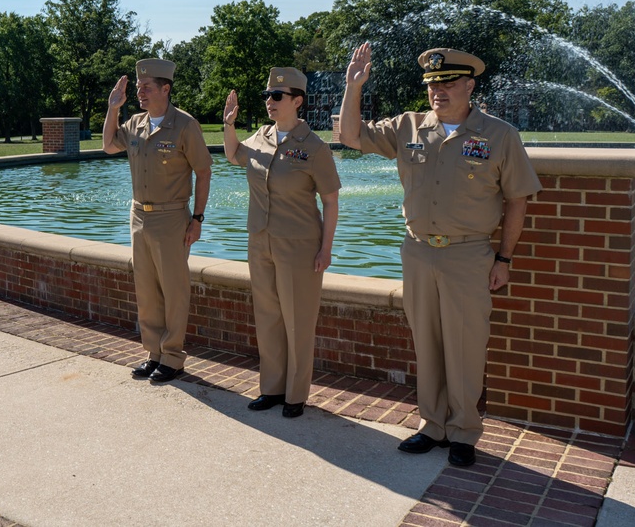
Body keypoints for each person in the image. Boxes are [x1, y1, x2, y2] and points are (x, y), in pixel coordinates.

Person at [339, 43, 541, 467]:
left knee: (467, 344)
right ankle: (431, 425)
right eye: (432, 84)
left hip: (468, 255)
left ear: (469, 84)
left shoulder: (499, 134)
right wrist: (353, 87)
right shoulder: (408, 126)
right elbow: (350, 136)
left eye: (448, 82)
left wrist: (503, 259)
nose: (438, 91)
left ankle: (464, 431)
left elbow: (518, 200)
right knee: (426, 342)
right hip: (417, 252)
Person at [222, 68, 340, 418]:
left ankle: (296, 394)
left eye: (277, 96)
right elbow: (233, 155)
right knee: (268, 317)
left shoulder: (314, 148)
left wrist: (326, 249)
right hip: (260, 241)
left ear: (297, 101)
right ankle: (271, 388)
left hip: (299, 246)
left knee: (297, 320)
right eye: (267, 96)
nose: (270, 102)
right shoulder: (260, 137)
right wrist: (229, 125)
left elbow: (331, 201)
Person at [102, 58, 212, 383]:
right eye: (138, 86)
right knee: (146, 290)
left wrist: (198, 219)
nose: (140, 91)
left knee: (174, 291)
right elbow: (108, 145)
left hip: (171, 219)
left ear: (165, 88)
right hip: (139, 217)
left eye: (147, 87)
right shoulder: (135, 124)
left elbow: (204, 172)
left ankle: (173, 357)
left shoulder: (185, 125)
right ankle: (154, 354)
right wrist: (113, 108)